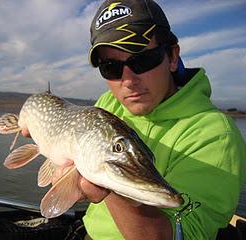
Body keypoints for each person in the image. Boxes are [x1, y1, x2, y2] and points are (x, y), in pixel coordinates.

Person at [23, 0, 246, 239]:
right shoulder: (109, 103)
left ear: (172, 57)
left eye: (143, 60)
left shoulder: (216, 137)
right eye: (111, 67)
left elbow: (183, 235)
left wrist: (115, 192)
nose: (128, 80)